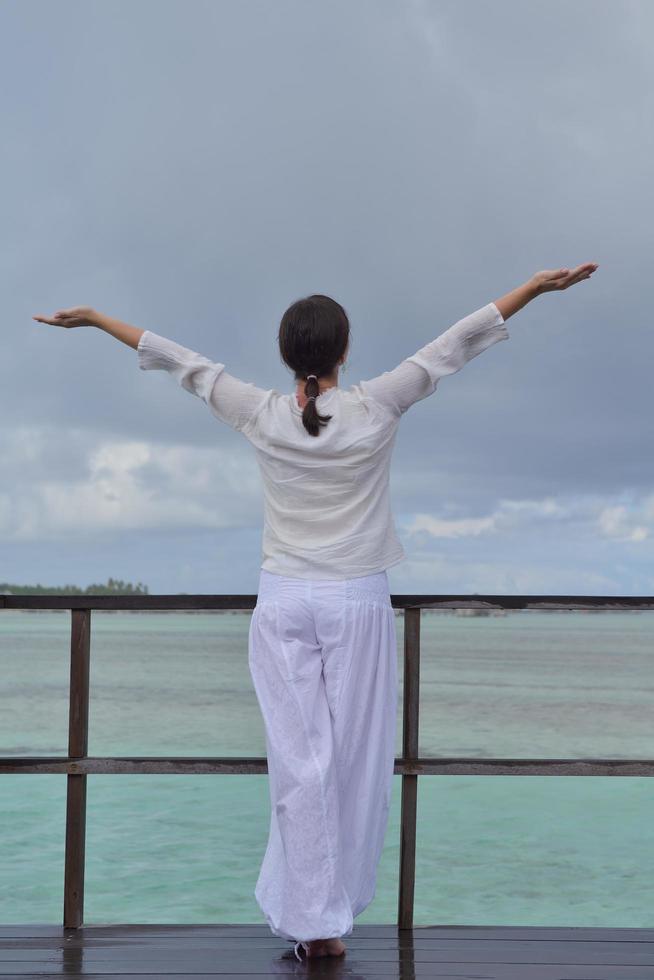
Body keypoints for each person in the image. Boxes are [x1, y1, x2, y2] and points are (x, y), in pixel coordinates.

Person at [32, 261, 598, 960]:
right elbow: (456, 344)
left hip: (283, 602)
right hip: (355, 601)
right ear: (343, 349)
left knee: (299, 766)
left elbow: (182, 362)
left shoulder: (260, 411)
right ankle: (325, 918)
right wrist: (536, 291)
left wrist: (94, 320)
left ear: (286, 353)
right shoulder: (376, 404)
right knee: (356, 764)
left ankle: (314, 920)